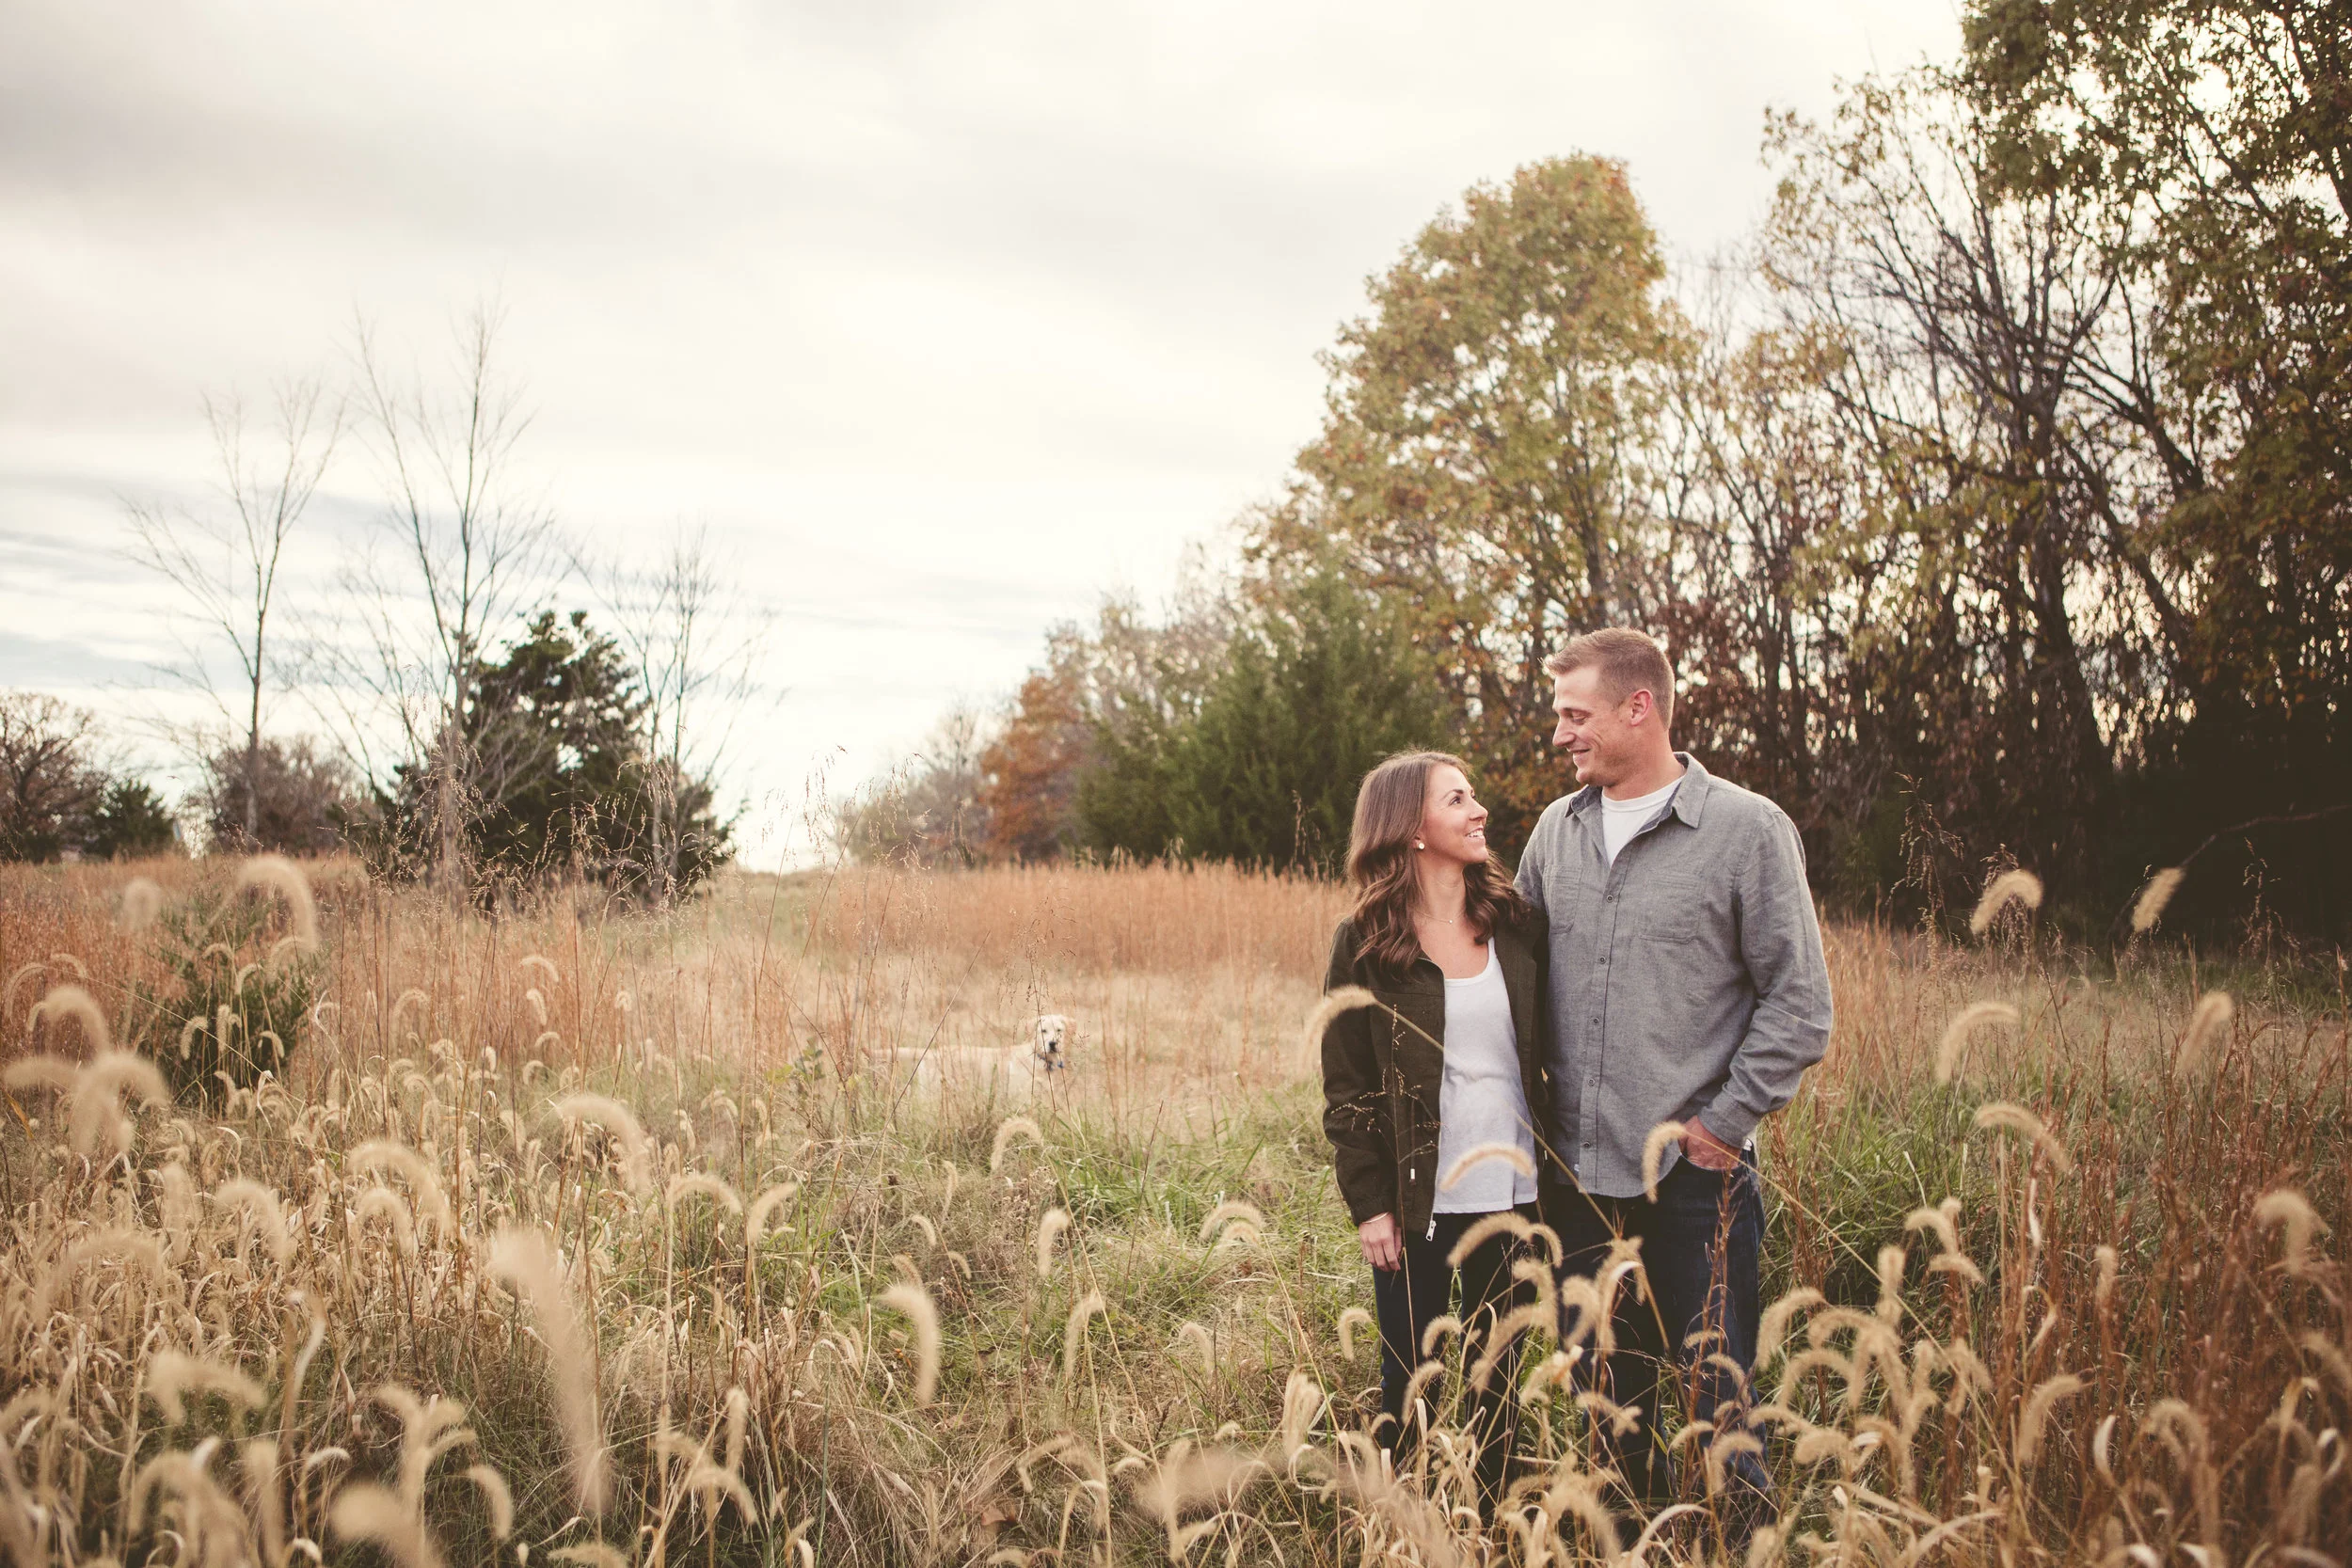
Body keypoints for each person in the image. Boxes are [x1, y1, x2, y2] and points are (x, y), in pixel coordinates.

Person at [1515, 628, 1833, 1536]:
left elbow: (1800, 1005)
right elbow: (1516, 974)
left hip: (1699, 1181)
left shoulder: (1744, 830)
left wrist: (1723, 1124)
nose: (1562, 735)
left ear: (1638, 707)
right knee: (1602, 1407)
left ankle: (1743, 1546)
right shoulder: (1554, 831)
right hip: (1579, 1178)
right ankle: (1620, 1547)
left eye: (1576, 715)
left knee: (1717, 1402)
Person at [1317, 750, 1564, 1517]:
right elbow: (1348, 1087)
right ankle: (1403, 1528)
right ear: (1412, 829)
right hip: (1415, 1197)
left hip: (1513, 1189)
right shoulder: (1364, 942)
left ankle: (1487, 1525)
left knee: (1497, 1382)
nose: (1478, 809)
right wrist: (1370, 1205)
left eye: (1474, 795)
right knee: (1409, 1382)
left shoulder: (1517, 925)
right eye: (1457, 799)